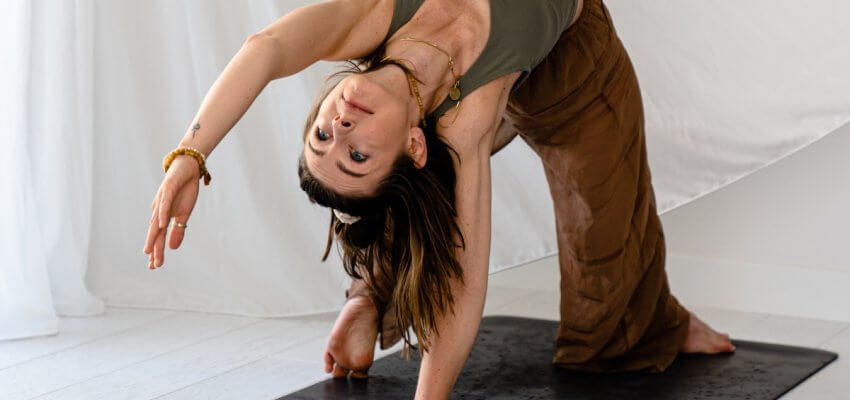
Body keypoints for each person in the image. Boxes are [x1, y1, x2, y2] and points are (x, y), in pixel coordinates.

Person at [143, 0, 736, 397]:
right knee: (607, 218)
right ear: (413, 143)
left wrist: (190, 156)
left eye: (321, 136)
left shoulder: (370, 15)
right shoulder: (465, 124)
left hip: (551, 55)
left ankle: (373, 292)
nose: (339, 129)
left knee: (578, 218)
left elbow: (266, 47)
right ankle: (645, 329)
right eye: (356, 155)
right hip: (578, 71)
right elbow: (464, 287)